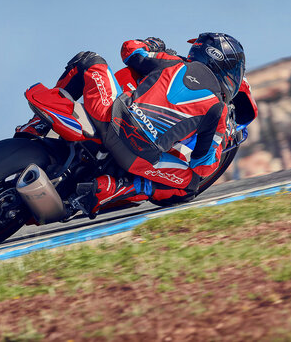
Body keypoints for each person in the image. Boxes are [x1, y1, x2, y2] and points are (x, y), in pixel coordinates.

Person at [16, 32, 248, 214]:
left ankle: (37, 125)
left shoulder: (172, 62)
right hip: (139, 157)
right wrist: (219, 143)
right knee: (189, 186)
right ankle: (115, 188)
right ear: (227, 71)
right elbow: (203, 167)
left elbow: (129, 49)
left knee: (89, 60)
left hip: (110, 118)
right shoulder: (219, 109)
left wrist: (152, 44)